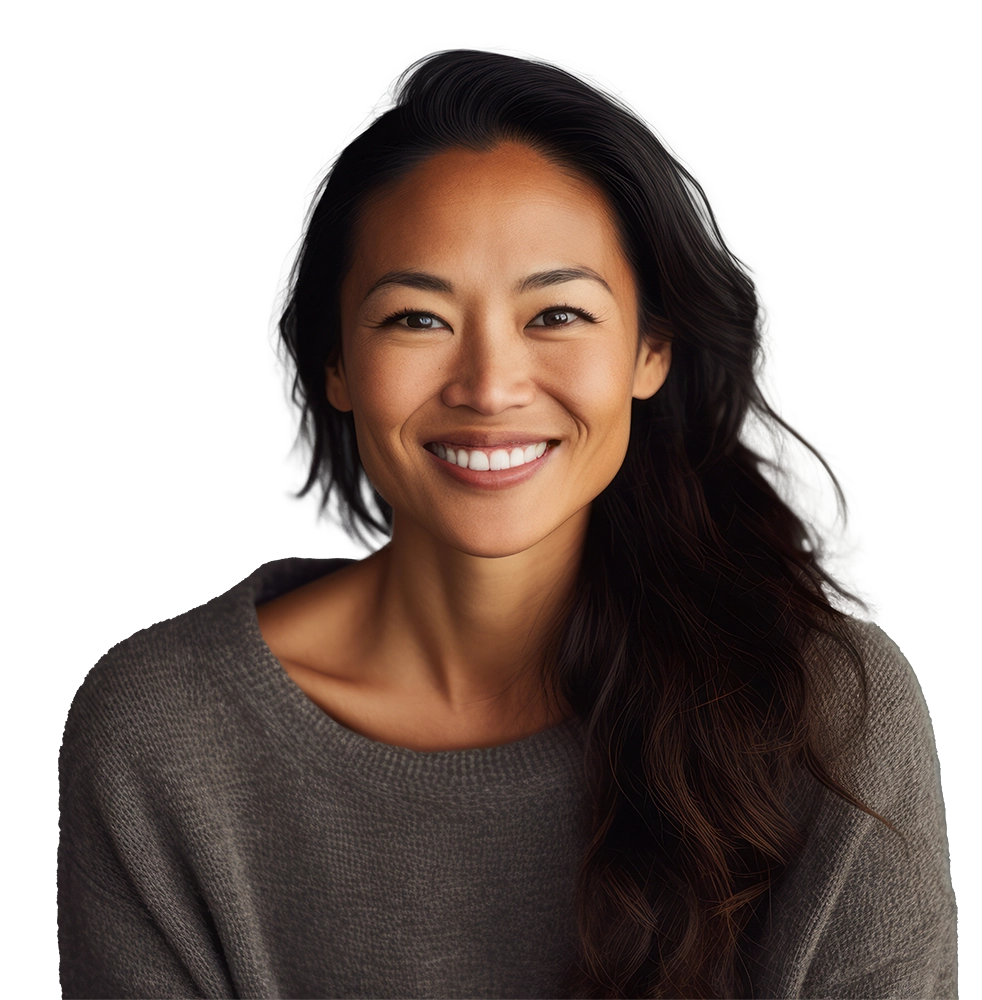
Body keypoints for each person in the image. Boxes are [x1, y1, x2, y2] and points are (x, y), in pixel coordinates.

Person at [57, 48, 957, 1000]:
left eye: (558, 314)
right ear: (334, 364)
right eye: (416, 319)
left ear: (650, 348)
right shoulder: (160, 739)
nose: (489, 386)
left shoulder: (822, 714)